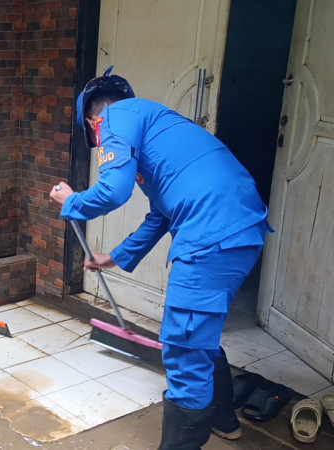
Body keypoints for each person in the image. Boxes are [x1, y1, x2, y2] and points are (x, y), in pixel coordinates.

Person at [49, 68, 269, 449]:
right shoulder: (155, 125)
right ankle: (224, 420)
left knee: (184, 346)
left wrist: (72, 202)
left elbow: (113, 190)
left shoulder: (113, 118)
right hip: (242, 227)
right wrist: (113, 258)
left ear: (92, 123)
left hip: (210, 231)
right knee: (199, 332)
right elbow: (160, 217)